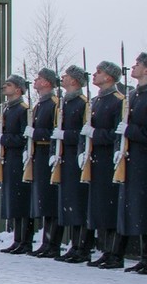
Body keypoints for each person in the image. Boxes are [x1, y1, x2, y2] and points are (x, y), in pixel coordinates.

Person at [85, 61, 125, 268]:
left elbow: (117, 133)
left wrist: (96, 135)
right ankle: (105, 250)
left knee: (110, 206)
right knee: (100, 206)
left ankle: (114, 252)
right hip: (97, 159)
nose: (94, 74)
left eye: (99, 72)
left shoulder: (118, 101)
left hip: (110, 159)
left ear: (109, 77)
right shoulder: (98, 101)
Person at [53, 66, 92, 263]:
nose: (63, 78)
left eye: (66, 76)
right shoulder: (65, 103)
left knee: (78, 203)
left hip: (77, 157)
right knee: (69, 202)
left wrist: (66, 136)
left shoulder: (83, 103)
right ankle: (74, 245)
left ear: (75, 81)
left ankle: (82, 246)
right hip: (65, 157)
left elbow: (84, 132)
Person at [27, 68, 61, 257]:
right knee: (43, 200)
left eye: (39, 78)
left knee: (50, 200)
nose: (35, 80)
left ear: (47, 82)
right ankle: (46, 242)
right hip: (39, 155)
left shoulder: (54, 104)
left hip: (49, 153)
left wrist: (36, 134)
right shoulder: (41, 104)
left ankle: (52, 243)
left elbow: (54, 132)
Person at [0, 74, 33, 254]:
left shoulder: (22, 109)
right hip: (10, 158)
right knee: (13, 199)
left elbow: (23, 138)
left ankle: (25, 241)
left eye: (9, 85)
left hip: (19, 158)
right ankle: (18, 239)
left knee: (21, 200)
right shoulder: (9, 109)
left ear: (18, 89)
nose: (5, 87)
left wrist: (4, 138)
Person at [120, 52, 147, 273]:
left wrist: (130, 130)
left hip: (144, 159)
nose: (133, 67)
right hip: (134, 159)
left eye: (137, 64)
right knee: (139, 208)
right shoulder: (136, 96)